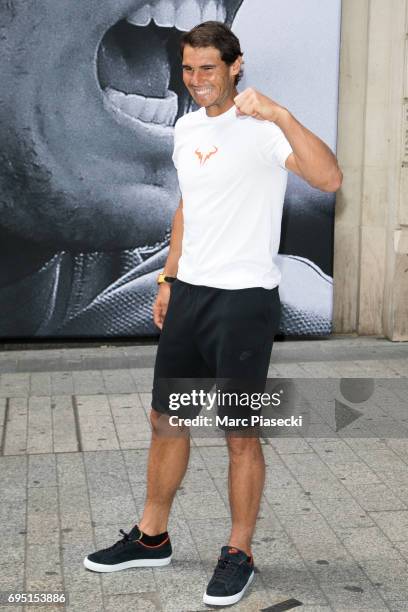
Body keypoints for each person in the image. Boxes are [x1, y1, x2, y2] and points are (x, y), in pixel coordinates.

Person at [83, 21, 342, 607]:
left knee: (239, 433)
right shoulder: (185, 127)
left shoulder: (263, 130)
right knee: (165, 420)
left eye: (209, 68)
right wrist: (169, 279)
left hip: (244, 302)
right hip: (191, 297)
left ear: (235, 66)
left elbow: (329, 178)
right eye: (189, 68)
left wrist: (279, 114)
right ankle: (151, 538)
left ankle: (239, 551)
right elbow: (187, 208)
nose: (197, 80)